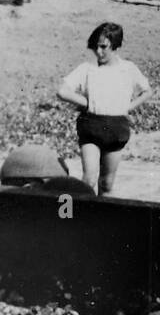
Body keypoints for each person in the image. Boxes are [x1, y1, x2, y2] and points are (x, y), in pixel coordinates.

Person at [57, 22, 151, 196]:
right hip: (91, 127)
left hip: (117, 128)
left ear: (115, 45)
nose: (98, 52)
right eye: (95, 47)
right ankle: (78, 219)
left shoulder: (128, 69)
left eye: (103, 47)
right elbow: (62, 91)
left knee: (107, 184)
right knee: (89, 180)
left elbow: (147, 91)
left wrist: (128, 107)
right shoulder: (87, 68)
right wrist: (86, 102)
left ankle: (100, 220)